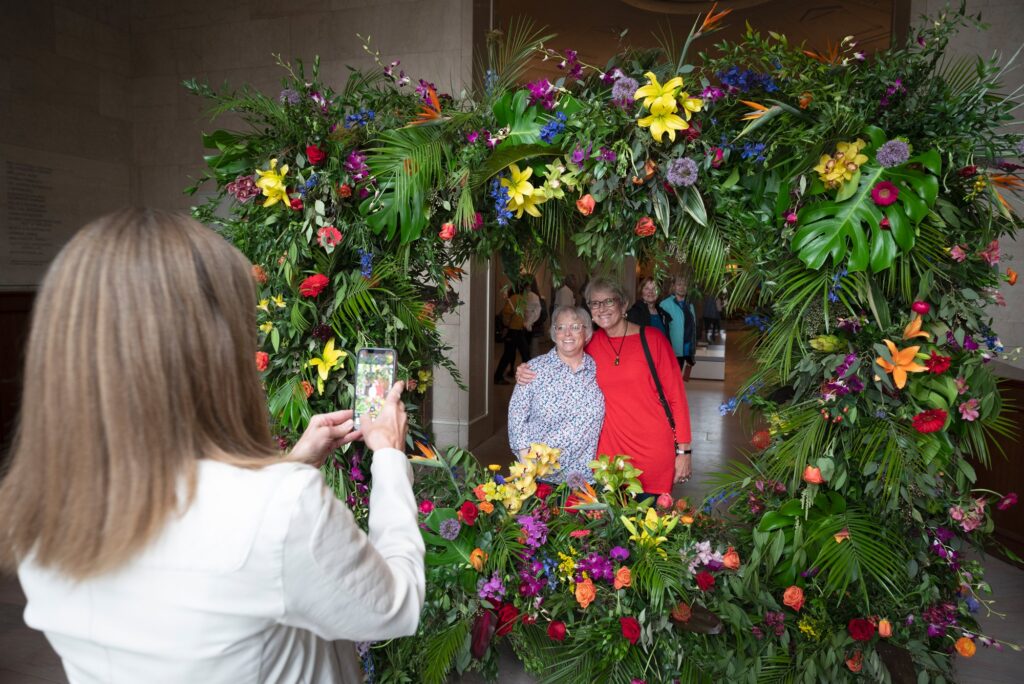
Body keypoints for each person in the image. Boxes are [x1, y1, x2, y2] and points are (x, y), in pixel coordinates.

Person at [0, 209, 424, 683]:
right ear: (214, 351)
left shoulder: (34, 510)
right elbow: (395, 607)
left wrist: (288, 463)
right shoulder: (281, 507)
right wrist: (387, 456)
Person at [517, 276, 692, 495]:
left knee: (650, 523)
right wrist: (527, 370)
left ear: (624, 304)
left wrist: (684, 451)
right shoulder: (590, 344)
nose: (602, 309)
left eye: (609, 301)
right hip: (607, 457)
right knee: (607, 524)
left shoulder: (653, 340)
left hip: (652, 453)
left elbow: (677, 398)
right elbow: (562, 356)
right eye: (595, 303)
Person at [507, 306, 605, 484]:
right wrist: (526, 464)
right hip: (541, 478)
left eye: (575, 327)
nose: (567, 333)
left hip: (585, 480)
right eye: (561, 327)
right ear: (554, 333)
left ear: (587, 332)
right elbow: (516, 416)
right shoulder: (534, 369)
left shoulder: (597, 369)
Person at [661, 275, 698, 382]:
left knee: (677, 380)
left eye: (684, 285)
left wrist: (692, 350)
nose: (682, 287)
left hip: (686, 349)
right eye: (679, 284)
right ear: (673, 287)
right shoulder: (665, 304)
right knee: (670, 380)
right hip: (672, 351)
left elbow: (693, 329)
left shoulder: (690, 305)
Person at [494, 282, 531, 384]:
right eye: (527, 288)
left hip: (516, 330)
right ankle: (497, 377)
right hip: (514, 330)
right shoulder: (517, 298)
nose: (528, 290)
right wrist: (507, 324)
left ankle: (498, 376)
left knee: (516, 354)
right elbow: (507, 312)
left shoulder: (516, 298)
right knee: (519, 354)